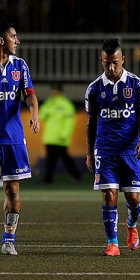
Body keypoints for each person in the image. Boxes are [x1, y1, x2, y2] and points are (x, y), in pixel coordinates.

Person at [85, 38, 140, 256]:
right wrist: (89, 152)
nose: (111, 68)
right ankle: (112, 243)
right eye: (107, 63)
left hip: (130, 150)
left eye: (115, 62)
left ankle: (131, 225)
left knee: (134, 198)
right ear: (101, 61)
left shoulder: (136, 84)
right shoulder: (94, 89)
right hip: (105, 150)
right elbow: (91, 123)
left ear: (123, 59)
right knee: (109, 194)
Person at [0, 22, 40, 255]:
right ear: (1, 40)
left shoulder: (20, 66)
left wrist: (34, 113)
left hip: (12, 138)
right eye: (13, 36)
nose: (18, 40)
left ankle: (8, 240)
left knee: (12, 190)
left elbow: (30, 95)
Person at [39, 83, 81, 184]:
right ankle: (48, 179)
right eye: (53, 90)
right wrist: (47, 107)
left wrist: (64, 134)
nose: (54, 92)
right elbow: (41, 116)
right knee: (50, 159)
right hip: (49, 137)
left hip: (60, 138)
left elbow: (69, 122)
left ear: (60, 91)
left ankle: (76, 176)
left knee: (65, 159)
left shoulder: (66, 104)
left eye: (56, 90)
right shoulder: (49, 103)